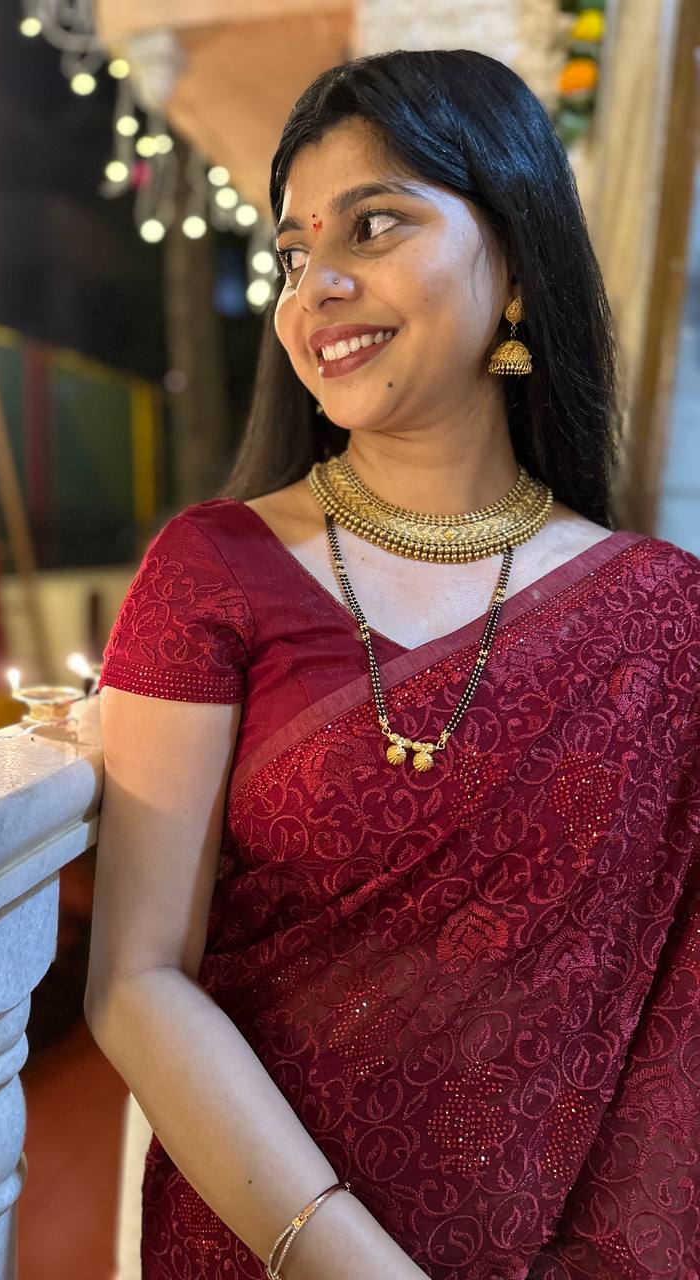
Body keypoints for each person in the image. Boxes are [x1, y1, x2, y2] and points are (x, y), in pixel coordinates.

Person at [83, 49, 700, 1280]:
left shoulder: (661, 614)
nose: (317, 285)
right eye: (294, 251)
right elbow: (137, 977)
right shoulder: (213, 570)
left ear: (514, 258)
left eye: (374, 224)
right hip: (261, 1243)